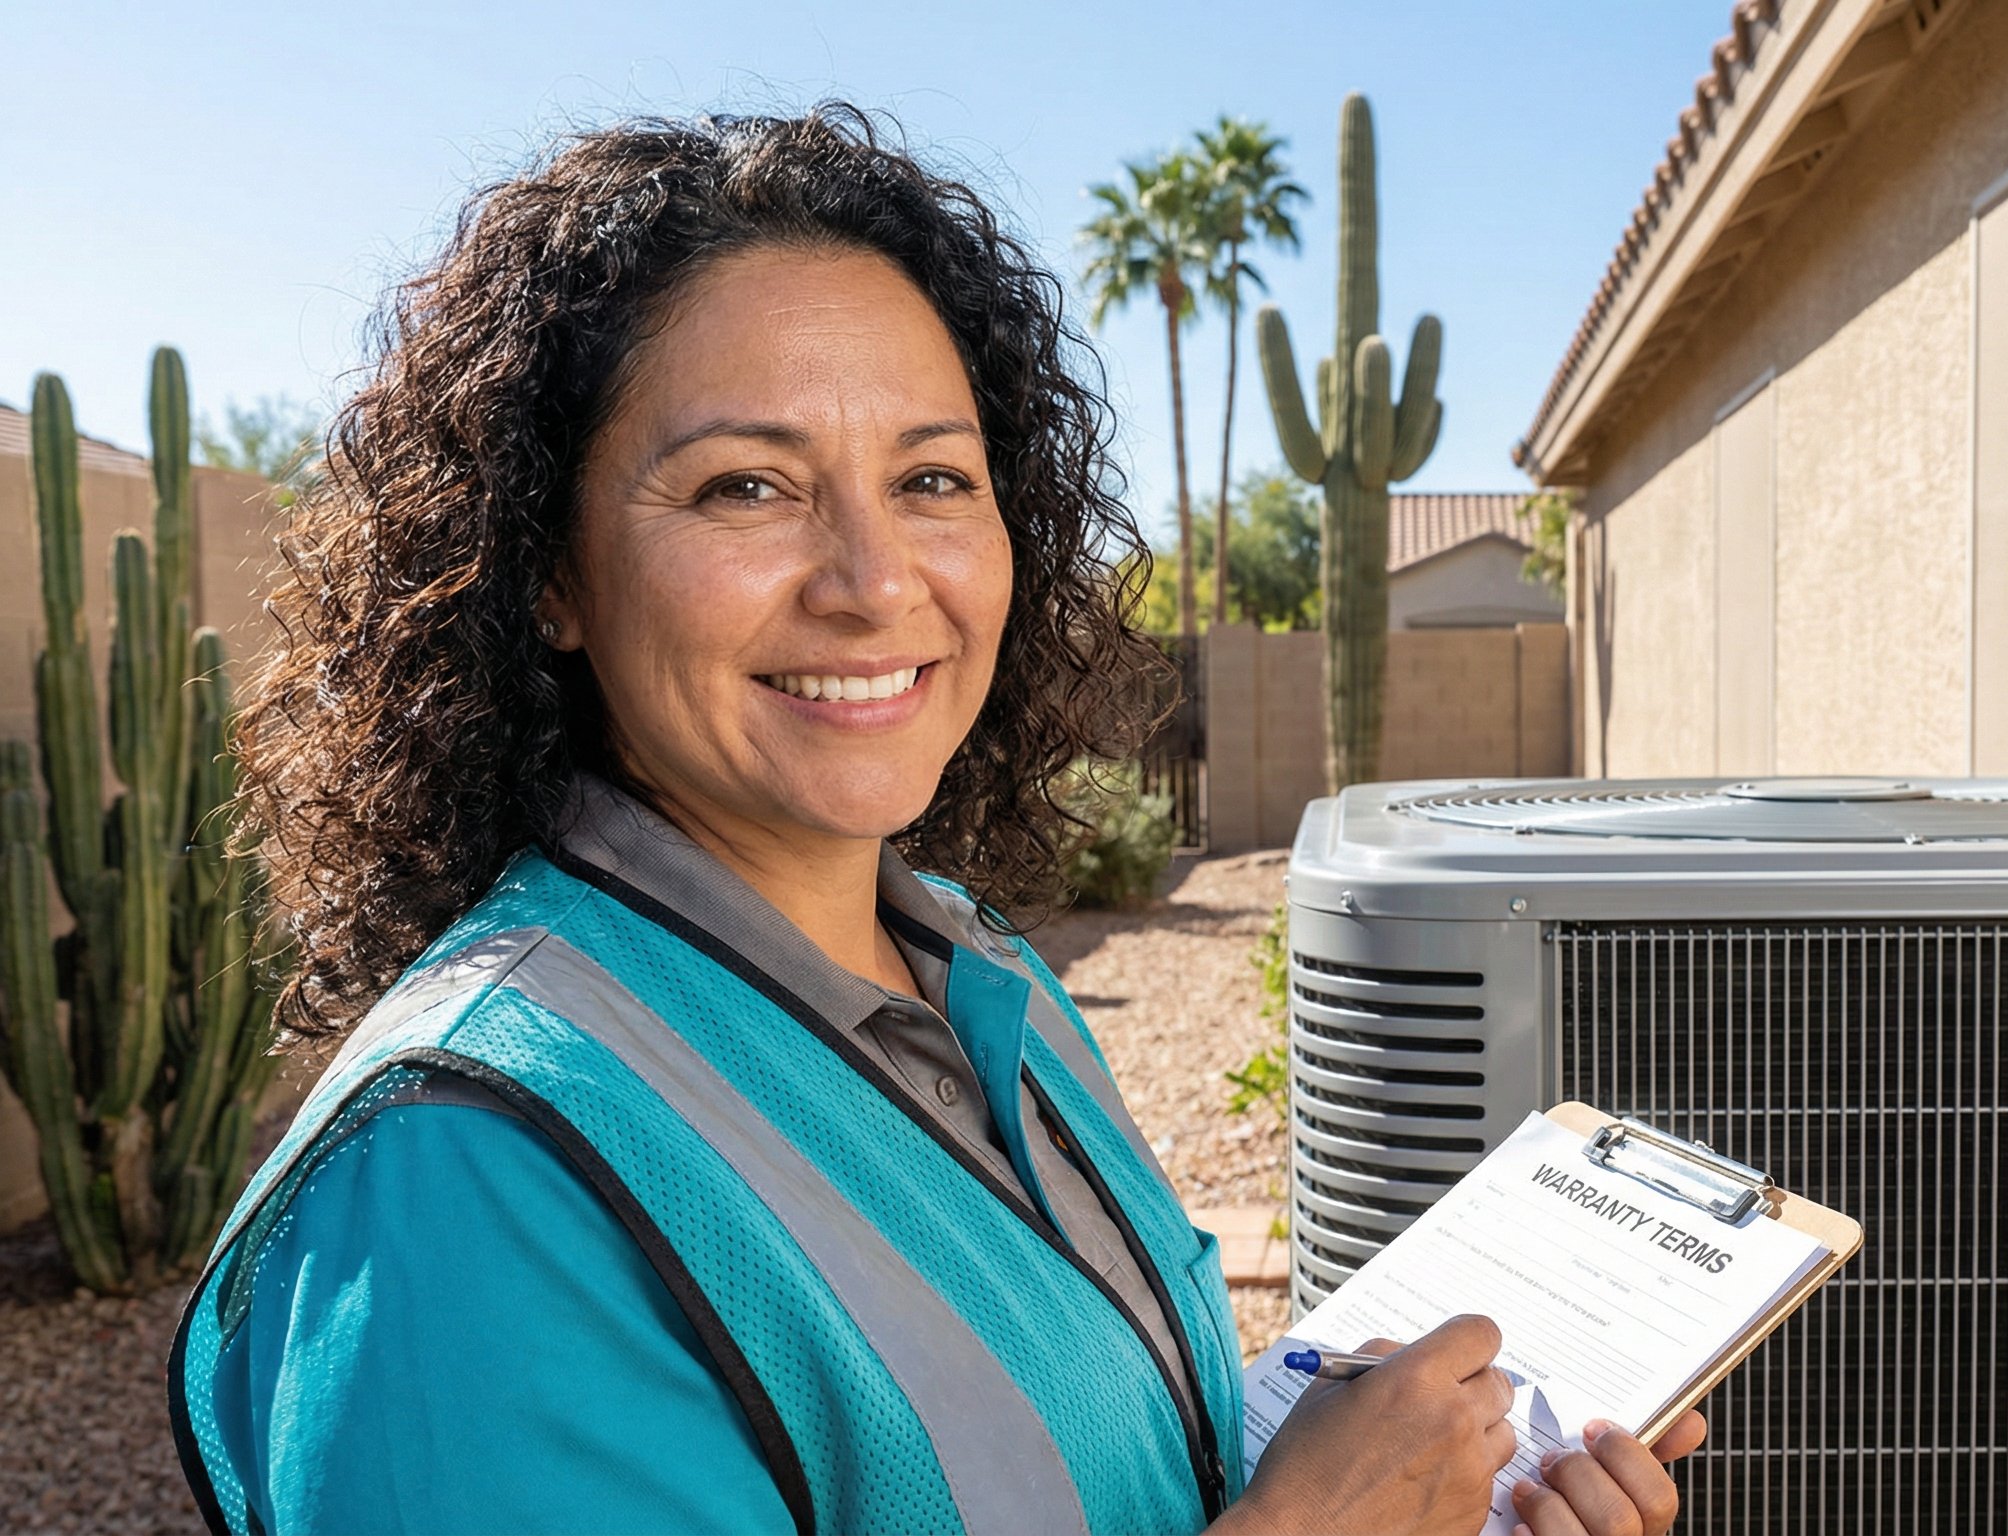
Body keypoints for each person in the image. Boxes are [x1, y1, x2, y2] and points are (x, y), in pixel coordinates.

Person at [167, 105, 1704, 1535]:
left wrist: (1414, 1480)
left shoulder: (985, 975)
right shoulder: (460, 1188)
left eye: (933, 479)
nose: (873, 581)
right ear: (547, 574)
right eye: (744, 489)